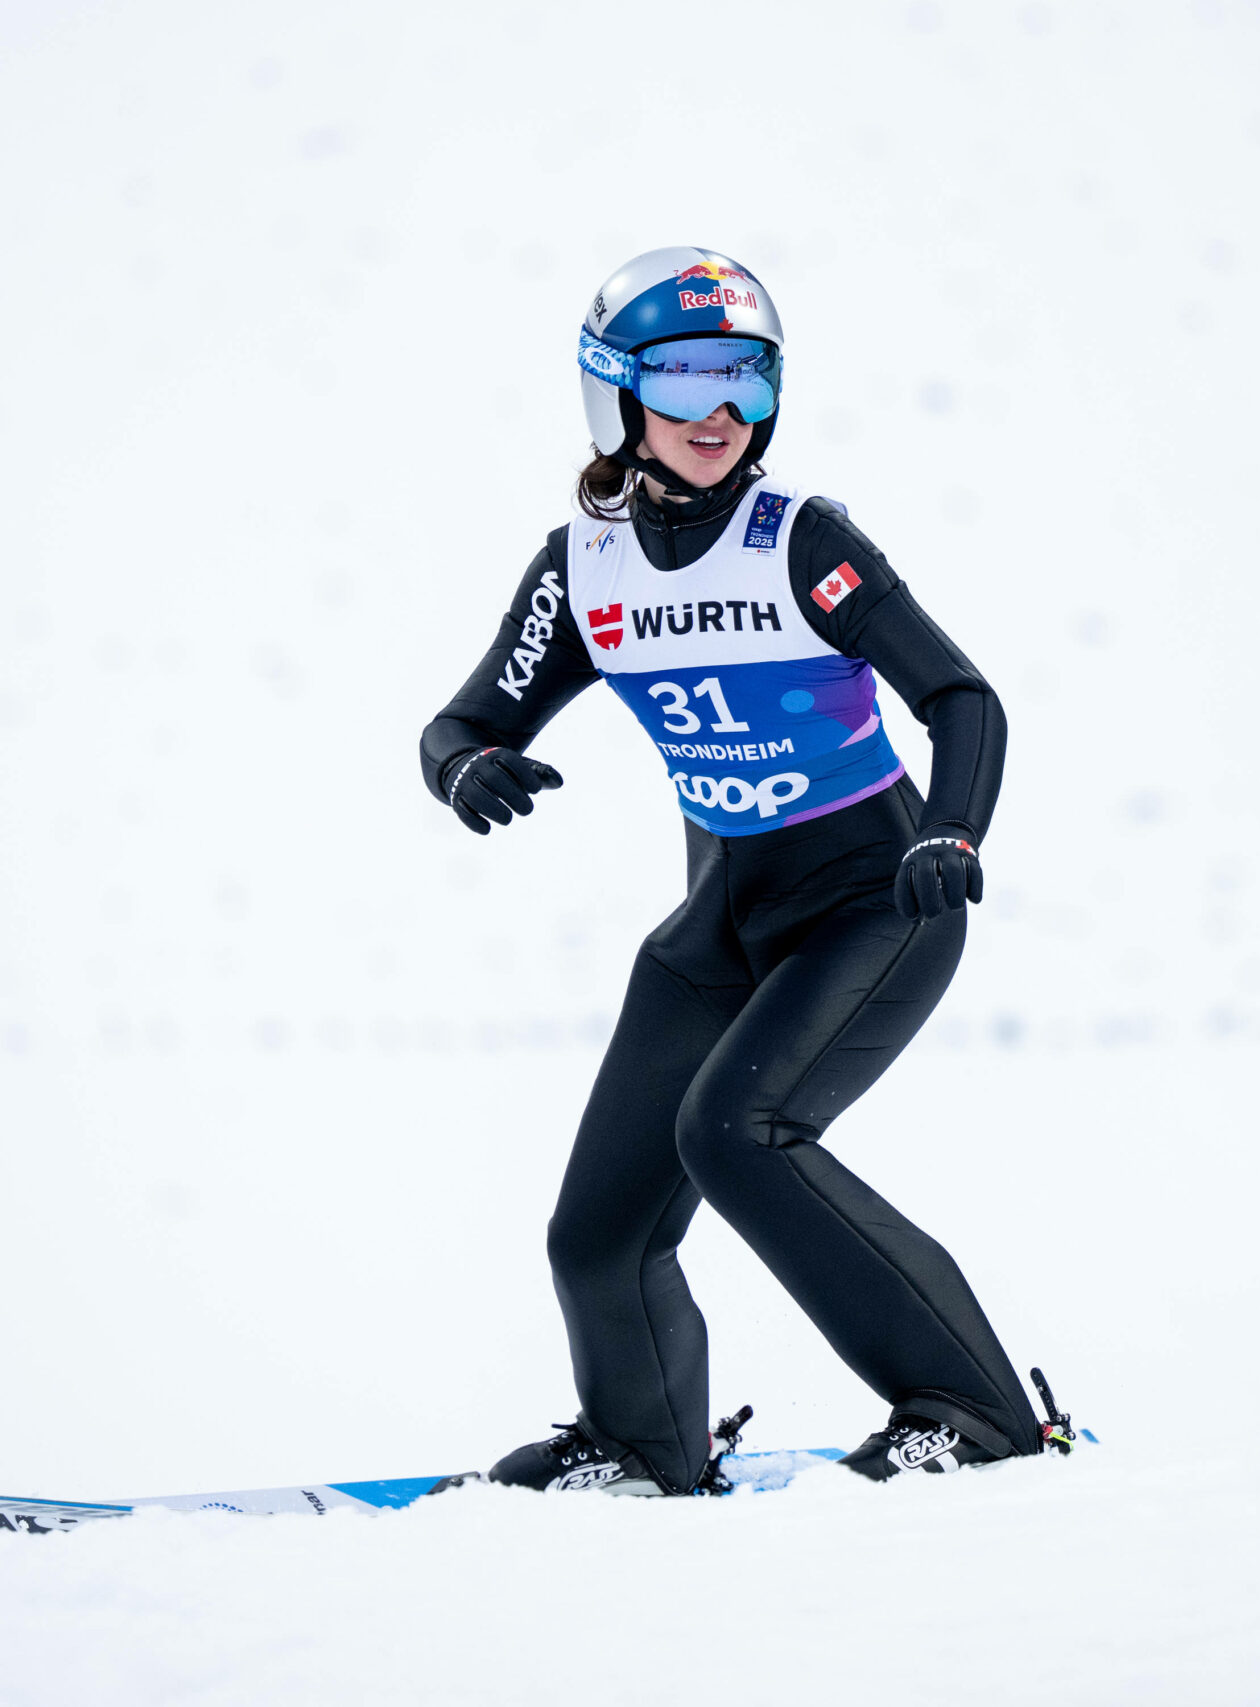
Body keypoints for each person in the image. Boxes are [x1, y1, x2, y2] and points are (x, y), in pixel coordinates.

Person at [419, 247, 1063, 1496]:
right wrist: (464, 768)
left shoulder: (799, 541)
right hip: (721, 925)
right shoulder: (585, 565)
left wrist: (952, 831)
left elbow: (959, 696)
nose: (720, 410)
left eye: (747, 379)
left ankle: (977, 1416)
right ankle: (641, 1447)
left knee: (738, 1135)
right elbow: (461, 722)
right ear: (615, 395)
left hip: (875, 906)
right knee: (597, 1232)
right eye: (684, 378)